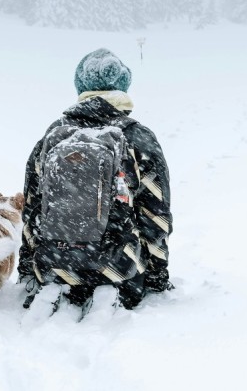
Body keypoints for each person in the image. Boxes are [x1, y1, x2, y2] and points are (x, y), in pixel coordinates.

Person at [17, 48, 172, 310]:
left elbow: (33, 208)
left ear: (81, 86)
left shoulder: (54, 135)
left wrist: (28, 269)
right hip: (121, 275)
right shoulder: (139, 137)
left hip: (54, 270)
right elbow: (154, 214)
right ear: (123, 86)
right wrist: (157, 276)